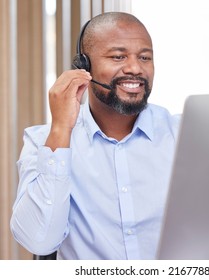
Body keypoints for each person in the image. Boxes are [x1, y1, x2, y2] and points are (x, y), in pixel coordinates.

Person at [10, 12, 180, 260]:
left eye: (145, 57)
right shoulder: (44, 142)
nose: (135, 68)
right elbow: (39, 241)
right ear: (83, 67)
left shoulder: (183, 135)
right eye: (118, 56)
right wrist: (61, 129)